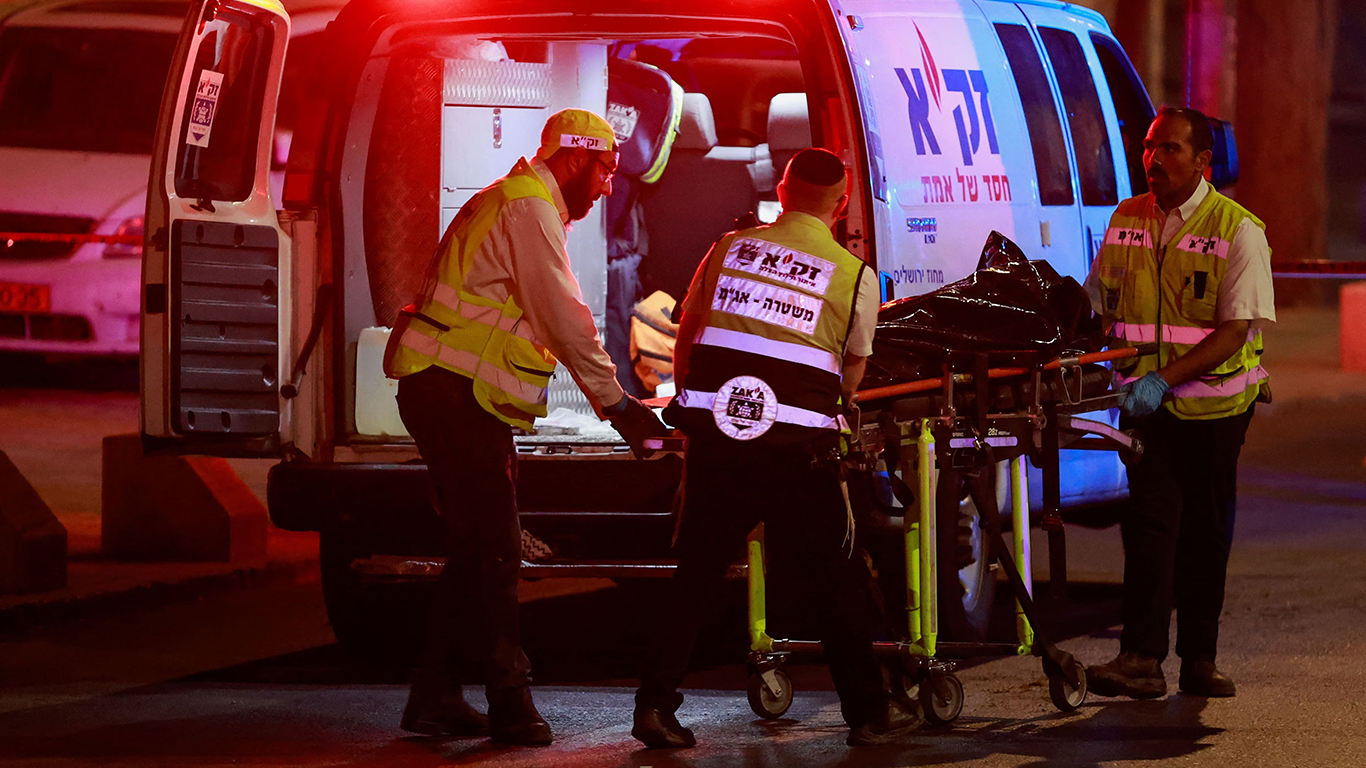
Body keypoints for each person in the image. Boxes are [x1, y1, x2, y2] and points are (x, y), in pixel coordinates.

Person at [382, 109, 666, 745]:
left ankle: (434, 695)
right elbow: (563, 317)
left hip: (452, 389)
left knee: (476, 545)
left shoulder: (519, 201)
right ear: (572, 158)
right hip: (452, 391)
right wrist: (618, 407)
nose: (608, 186)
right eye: (605, 169)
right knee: (496, 547)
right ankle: (508, 698)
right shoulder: (528, 208)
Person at [632, 148, 918, 748]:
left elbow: (687, 335)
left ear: (781, 191)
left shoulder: (728, 249)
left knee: (697, 573)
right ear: (840, 208)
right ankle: (867, 714)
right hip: (798, 450)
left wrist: (702, 410)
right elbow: (849, 375)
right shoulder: (853, 276)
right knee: (835, 576)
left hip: (721, 439)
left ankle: (655, 708)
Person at [1083, 106, 1274, 699]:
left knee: (1204, 532)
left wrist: (1162, 379)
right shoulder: (1127, 218)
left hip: (1215, 410)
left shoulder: (1239, 229)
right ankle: (1141, 657)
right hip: (1148, 411)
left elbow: (1233, 331)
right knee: (1148, 528)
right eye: (1148, 147)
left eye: (1169, 149)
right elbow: (1099, 307)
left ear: (1202, 161)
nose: (1153, 160)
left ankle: (1199, 658)